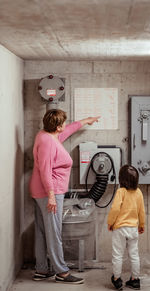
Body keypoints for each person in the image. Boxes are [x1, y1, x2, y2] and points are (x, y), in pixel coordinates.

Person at [29, 109, 100, 284]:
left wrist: (86, 120)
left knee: (41, 231)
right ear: (57, 127)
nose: (65, 126)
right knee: (54, 232)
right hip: (49, 192)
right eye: (63, 123)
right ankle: (61, 272)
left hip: (42, 191)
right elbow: (45, 170)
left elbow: (68, 131)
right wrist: (52, 196)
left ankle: (41, 269)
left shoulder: (47, 135)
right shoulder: (47, 142)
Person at [107, 165, 145, 290]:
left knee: (118, 255)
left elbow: (115, 209)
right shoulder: (138, 192)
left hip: (120, 229)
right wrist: (141, 225)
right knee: (134, 255)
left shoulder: (121, 192)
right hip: (133, 228)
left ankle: (117, 279)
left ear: (121, 179)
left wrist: (110, 222)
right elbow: (141, 211)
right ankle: (135, 279)